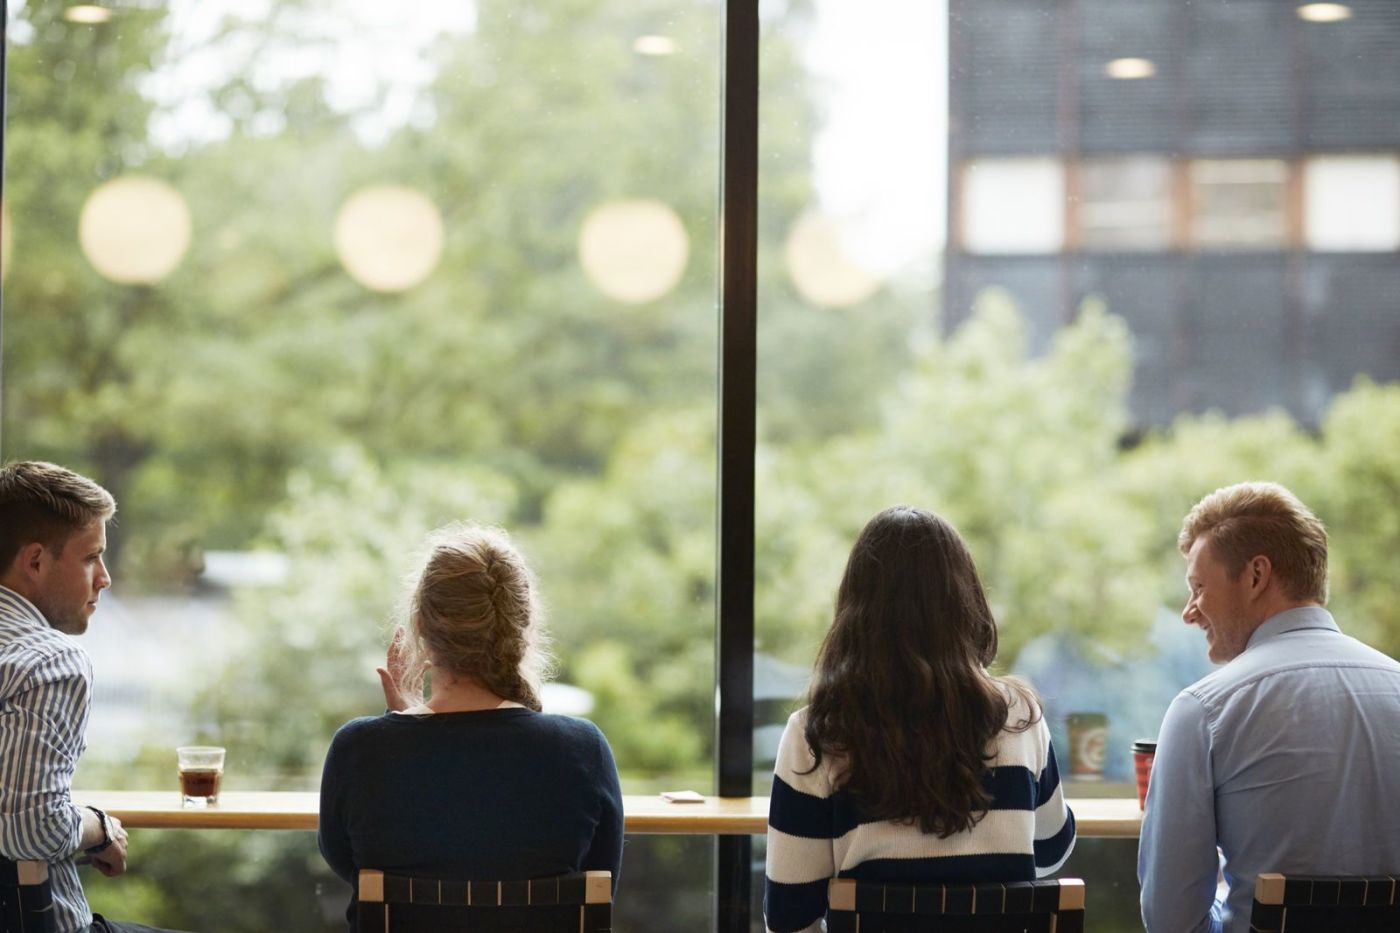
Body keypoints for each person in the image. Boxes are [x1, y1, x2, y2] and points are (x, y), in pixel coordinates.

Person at [763, 506, 1076, 933]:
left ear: (856, 610)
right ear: (966, 602)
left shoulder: (818, 732)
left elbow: (788, 914)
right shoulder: (1020, 715)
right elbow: (1051, 851)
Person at [318, 522, 624, 931]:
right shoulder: (584, 751)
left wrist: (400, 729)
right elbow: (601, 881)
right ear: (522, 628)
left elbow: (351, 864)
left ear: (422, 629)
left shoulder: (360, 750)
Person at [1138, 481, 1400, 933]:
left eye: (1198, 586)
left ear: (1256, 576)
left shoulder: (1202, 712)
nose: (1189, 611)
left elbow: (1172, 922)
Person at [0, 460, 192, 933]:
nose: (104, 577)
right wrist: (99, 826)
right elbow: (29, 828)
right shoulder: (50, 661)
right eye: (91, 558)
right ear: (36, 561)